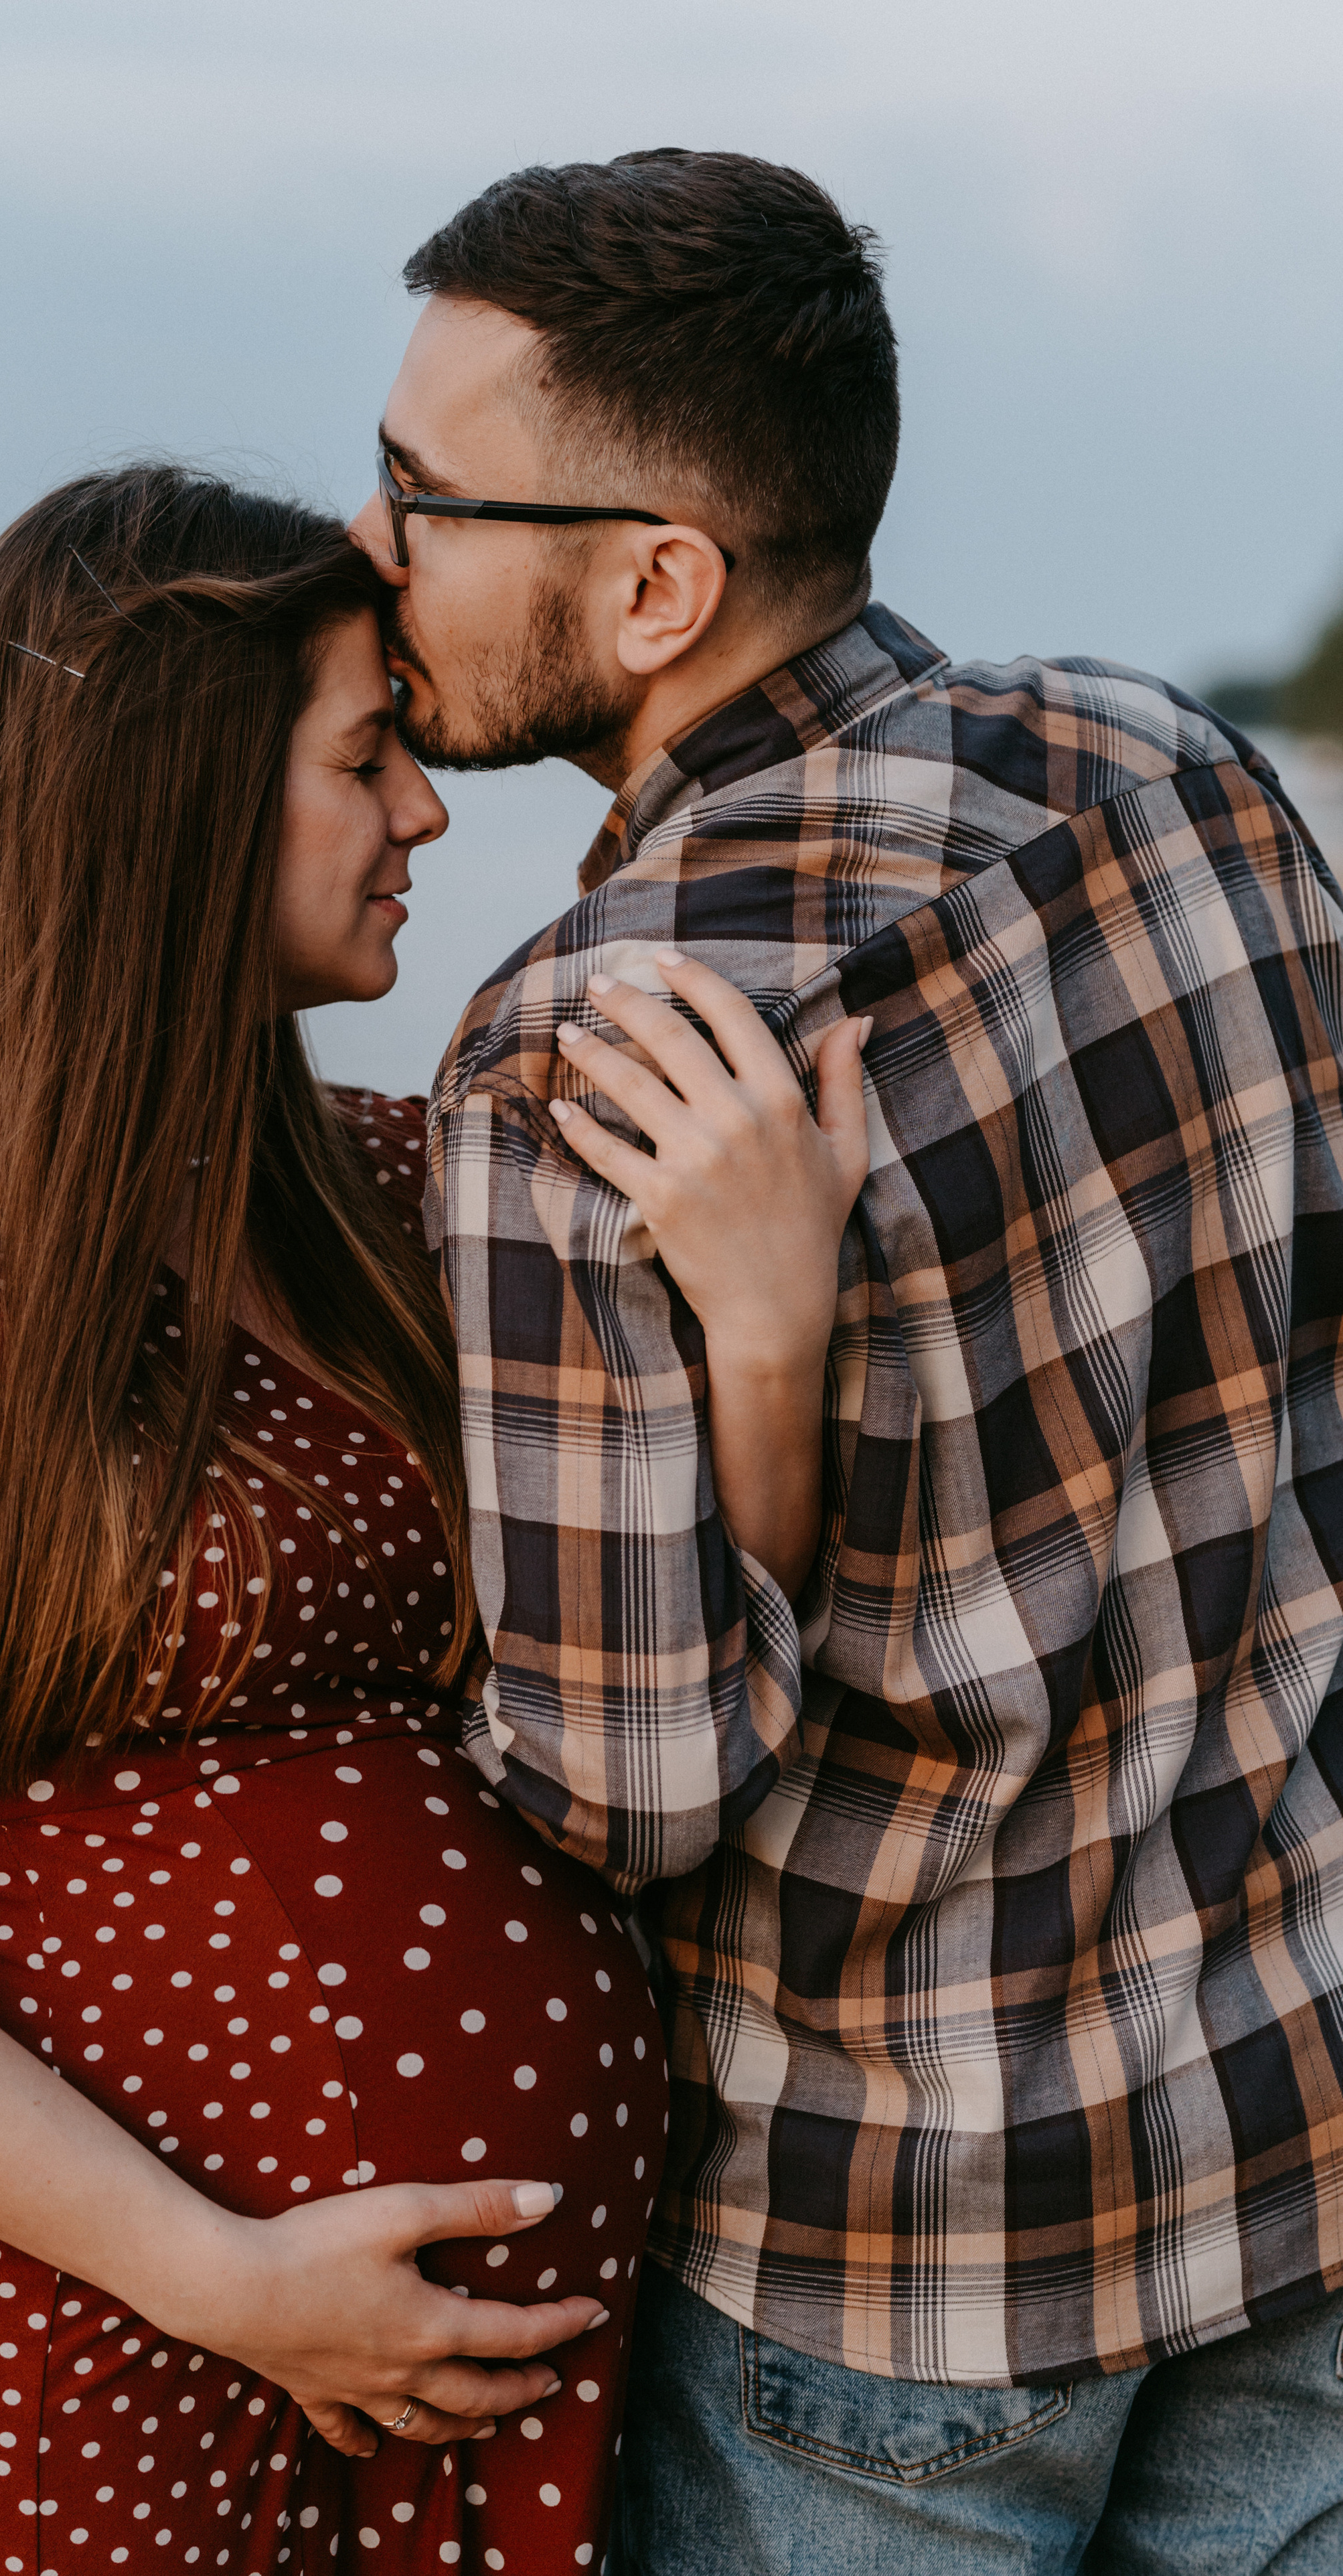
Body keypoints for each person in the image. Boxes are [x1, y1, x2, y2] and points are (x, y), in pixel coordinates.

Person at [0, 466, 870, 2575]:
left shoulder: (414, 1190)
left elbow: (667, 1680)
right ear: (173, 802)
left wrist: (768, 1338)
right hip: (42, 2384)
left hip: (444, 2416)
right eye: (364, 752)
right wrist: (216, 2272)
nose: (427, 812)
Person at [349, 149, 1343, 2570]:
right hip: (1293, 2131)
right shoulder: (1185, 777)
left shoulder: (589, 1055)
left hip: (893, 2258)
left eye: (419, 496)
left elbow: (628, 1787)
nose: (375, 553)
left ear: (655, 579)